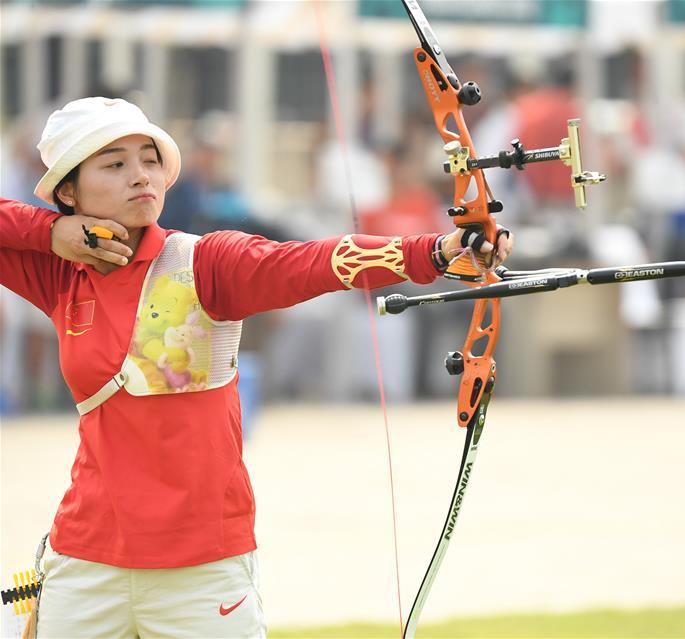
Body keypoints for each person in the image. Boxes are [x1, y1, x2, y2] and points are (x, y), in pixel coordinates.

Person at [0, 96, 513, 638]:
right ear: (68, 191)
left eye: (149, 159)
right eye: (115, 163)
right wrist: (47, 232)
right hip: (85, 559)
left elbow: (310, 262)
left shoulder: (205, 263)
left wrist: (433, 251)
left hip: (203, 571)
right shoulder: (61, 276)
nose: (140, 176)